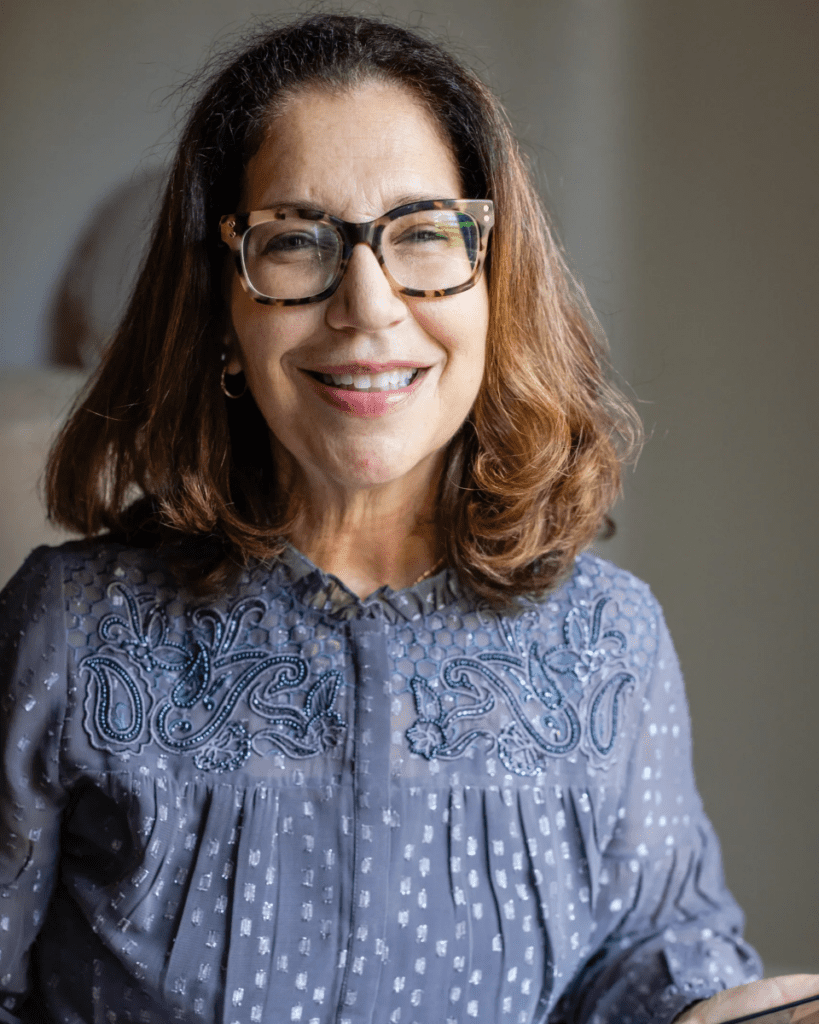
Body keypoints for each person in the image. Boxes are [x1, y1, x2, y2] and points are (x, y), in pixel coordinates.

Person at [0, 14, 815, 1024]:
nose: (370, 305)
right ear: (222, 306)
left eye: (425, 233)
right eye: (296, 242)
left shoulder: (613, 641)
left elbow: (651, 953)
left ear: (494, 281)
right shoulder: (71, 633)